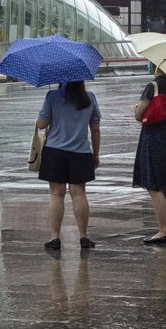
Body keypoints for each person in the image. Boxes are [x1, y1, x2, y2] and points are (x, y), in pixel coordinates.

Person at [38, 81, 101, 250]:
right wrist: (95, 154)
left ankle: (55, 238)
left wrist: (48, 110)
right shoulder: (90, 98)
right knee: (79, 193)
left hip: (54, 152)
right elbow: (95, 129)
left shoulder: (53, 96)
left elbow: (41, 124)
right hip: (81, 152)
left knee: (56, 194)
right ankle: (84, 236)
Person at [133, 66, 166, 244]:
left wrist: (137, 108)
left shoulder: (153, 86)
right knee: (164, 186)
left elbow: (139, 115)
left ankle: (164, 229)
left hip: (153, 137)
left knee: (154, 186)